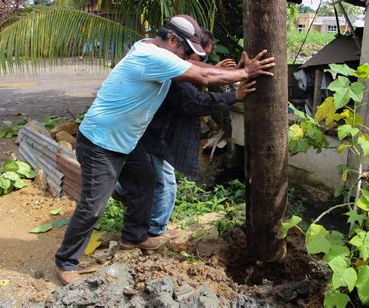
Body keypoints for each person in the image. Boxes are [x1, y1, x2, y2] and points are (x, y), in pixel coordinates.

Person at [54, 14, 275, 285]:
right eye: (186, 51)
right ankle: (66, 261)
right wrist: (245, 73)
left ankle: (134, 236)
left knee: (146, 181)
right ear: (172, 39)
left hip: (125, 140)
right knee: (93, 206)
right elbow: (202, 74)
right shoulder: (151, 56)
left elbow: (201, 76)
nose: (187, 58)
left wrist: (225, 74)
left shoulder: (153, 50)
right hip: (100, 143)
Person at [115, 28, 253, 240]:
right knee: (164, 183)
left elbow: (197, 73)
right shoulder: (168, 67)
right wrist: (235, 93)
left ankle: (125, 193)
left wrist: (215, 72)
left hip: (147, 132)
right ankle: (154, 231)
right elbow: (194, 100)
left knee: (147, 179)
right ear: (181, 46)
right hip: (151, 134)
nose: (197, 61)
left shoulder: (167, 59)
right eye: (197, 55)